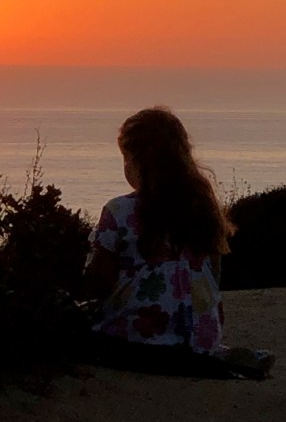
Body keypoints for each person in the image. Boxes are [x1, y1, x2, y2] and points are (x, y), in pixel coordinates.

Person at [83, 106, 273, 378]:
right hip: (201, 335)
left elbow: (99, 281)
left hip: (139, 334)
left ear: (136, 161)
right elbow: (213, 274)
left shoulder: (118, 211)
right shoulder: (202, 206)